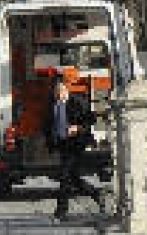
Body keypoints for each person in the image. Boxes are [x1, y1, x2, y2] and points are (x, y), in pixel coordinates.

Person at [44, 76, 105, 222]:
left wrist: (77, 128)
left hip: (76, 144)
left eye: (61, 90)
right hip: (63, 144)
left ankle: (60, 212)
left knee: (64, 177)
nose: (58, 93)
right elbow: (48, 124)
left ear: (67, 90)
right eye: (56, 91)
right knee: (72, 177)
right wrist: (50, 141)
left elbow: (91, 119)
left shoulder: (77, 102)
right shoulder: (53, 104)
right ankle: (96, 193)